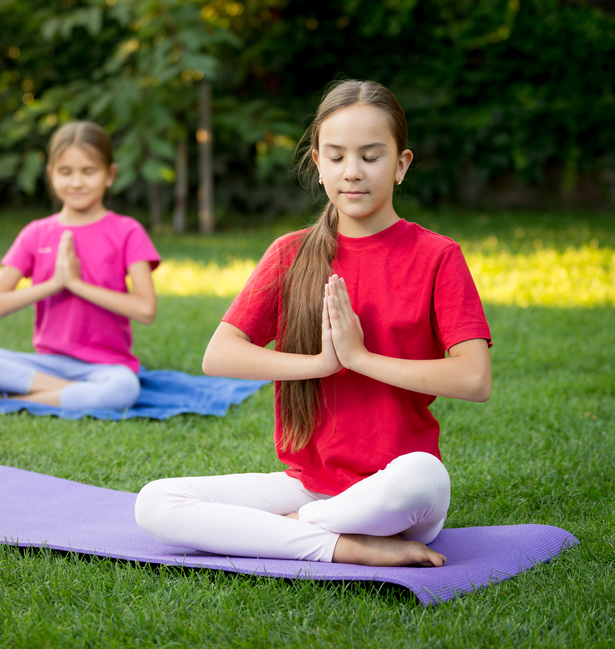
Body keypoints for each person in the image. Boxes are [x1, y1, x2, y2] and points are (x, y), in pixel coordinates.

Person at [134, 80, 492, 567]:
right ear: (318, 163)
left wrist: (361, 359)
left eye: (371, 156)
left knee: (424, 475)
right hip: (307, 487)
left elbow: (473, 378)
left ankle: (288, 534)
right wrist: (323, 363)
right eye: (337, 156)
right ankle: (346, 545)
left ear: (401, 164)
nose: (353, 172)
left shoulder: (437, 256)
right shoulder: (291, 253)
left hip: (396, 497)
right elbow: (220, 355)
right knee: (155, 502)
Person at [0, 121, 160, 411]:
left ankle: (13, 399)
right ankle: (74, 393)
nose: (76, 182)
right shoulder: (35, 233)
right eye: (66, 172)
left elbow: (146, 310)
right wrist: (54, 284)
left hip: (106, 367)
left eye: (88, 171)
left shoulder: (127, 231)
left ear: (110, 175)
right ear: (52, 175)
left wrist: (76, 285)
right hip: (44, 366)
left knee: (124, 389)